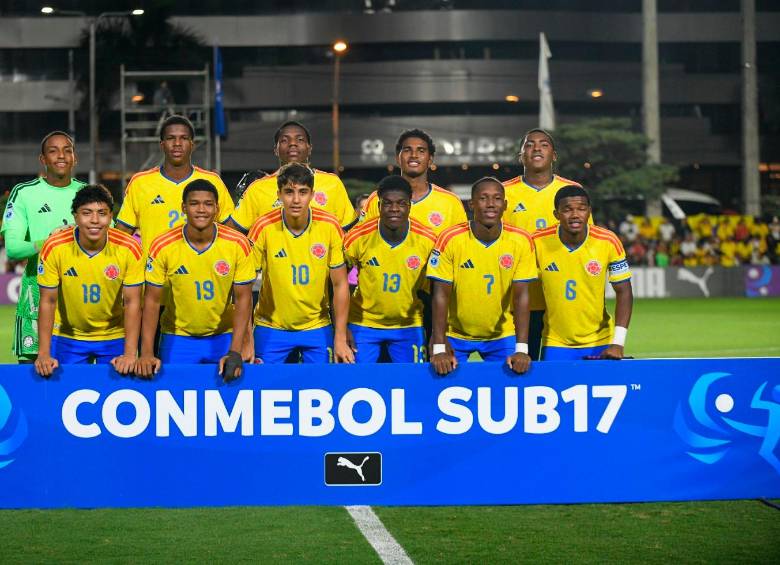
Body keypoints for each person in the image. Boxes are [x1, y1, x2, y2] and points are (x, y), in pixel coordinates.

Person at [136, 179, 255, 380]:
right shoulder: (163, 245)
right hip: (178, 338)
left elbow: (243, 299)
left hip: (223, 337)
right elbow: (152, 301)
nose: (201, 210)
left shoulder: (237, 244)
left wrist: (236, 349)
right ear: (183, 207)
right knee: (174, 400)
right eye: (194, 204)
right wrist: (147, 353)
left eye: (208, 204)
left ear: (217, 208)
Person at [427, 177, 536, 376]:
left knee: (508, 393)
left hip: (502, 335)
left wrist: (521, 350)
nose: (491, 204)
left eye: (496, 198)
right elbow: (440, 295)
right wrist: (439, 346)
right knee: (441, 385)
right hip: (454, 335)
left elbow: (521, 297)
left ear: (505, 205)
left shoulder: (521, 240)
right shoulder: (450, 239)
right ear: (472, 204)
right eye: (483, 198)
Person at [247, 162, 354, 364]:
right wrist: (245, 339)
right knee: (264, 391)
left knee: (324, 388)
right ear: (278, 195)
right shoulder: (263, 226)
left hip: (317, 326)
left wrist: (340, 337)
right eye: (289, 192)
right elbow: (242, 286)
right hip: (270, 327)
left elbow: (340, 284)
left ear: (312, 195)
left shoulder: (330, 226)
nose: (296, 200)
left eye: (303, 192)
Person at [34, 185, 143, 376]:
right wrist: (43, 354)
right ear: (75, 216)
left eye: (102, 213)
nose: (94, 220)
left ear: (111, 217)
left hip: (114, 335)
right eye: (87, 213)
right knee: (62, 397)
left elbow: (133, 302)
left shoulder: (129, 247)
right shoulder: (55, 246)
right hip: (67, 336)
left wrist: (130, 353)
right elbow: (47, 301)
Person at [0, 131, 86, 363]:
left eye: (67, 150)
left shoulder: (87, 193)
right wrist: (49, 242)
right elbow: (14, 249)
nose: (61, 156)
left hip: (80, 295)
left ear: (74, 158)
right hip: (36, 293)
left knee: (77, 377)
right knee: (33, 376)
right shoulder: (24, 193)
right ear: (43, 160)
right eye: (53, 151)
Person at [501, 128, 584, 362]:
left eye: (544, 144)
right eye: (529, 144)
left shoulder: (571, 192)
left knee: (555, 373)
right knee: (517, 368)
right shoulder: (503, 192)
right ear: (521, 156)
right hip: (516, 300)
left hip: (558, 302)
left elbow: (586, 242)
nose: (536, 148)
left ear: (554, 155)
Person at [533, 185, 633, 360]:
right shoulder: (537, 242)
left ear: (589, 212)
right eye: (567, 210)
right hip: (555, 343)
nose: (575, 215)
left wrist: (617, 343)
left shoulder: (608, 241)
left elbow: (624, 292)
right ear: (556, 214)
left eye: (581, 209)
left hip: (599, 340)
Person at [344, 176, 436, 363]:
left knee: (411, 384)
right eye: (388, 203)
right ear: (378, 207)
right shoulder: (358, 237)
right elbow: (336, 283)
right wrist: (341, 328)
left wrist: (437, 334)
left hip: (409, 325)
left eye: (401, 203)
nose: (394, 209)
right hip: (362, 324)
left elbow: (437, 290)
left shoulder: (428, 240)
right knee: (357, 383)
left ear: (410, 206)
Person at [116, 115, 234, 255]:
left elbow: (230, 232)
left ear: (192, 144)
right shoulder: (140, 183)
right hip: (154, 274)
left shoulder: (212, 181)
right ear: (162, 144)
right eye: (171, 138)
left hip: (201, 272)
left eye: (183, 138)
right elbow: (121, 237)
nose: (177, 143)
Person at [228, 121, 355, 232]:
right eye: (284, 140)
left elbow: (349, 231)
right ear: (275, 150)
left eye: (300, 140)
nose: (292, 144)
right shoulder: (257, 189)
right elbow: (235, 231)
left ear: (309, 148)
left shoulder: (332, 183)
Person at [359, 129, 467, 236]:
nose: (414, 155)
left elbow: (461, 247)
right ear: (398, 158)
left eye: (421, 151)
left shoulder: (451, 202)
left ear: (430, 160)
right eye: (407, 150)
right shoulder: (377, 199)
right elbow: (361, 242)